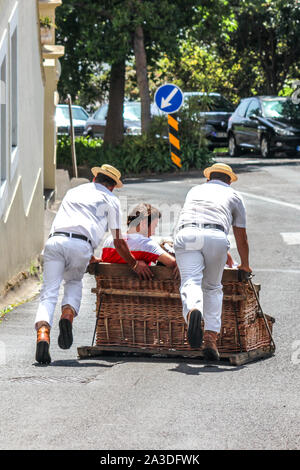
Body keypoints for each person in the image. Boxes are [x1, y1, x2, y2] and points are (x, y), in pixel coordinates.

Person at [34, 164, 152, 364]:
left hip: (56, 241)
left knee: (49, 292)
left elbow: (69, 222)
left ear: (95, 177)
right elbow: (118, 241)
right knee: (73, 283)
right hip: (81, 246)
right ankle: (67, 316)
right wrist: (133, 264)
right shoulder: (111, 200)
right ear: (113, 186)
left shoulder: (74, 192)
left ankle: (43, 334)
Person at [174, 163, 251, 360]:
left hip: (187, 233)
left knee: (190, 280)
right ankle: (210, 338)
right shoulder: (234, 196)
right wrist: (244, 264)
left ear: (209, 178)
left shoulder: (195, 190)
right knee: (213, 287)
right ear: (229, 181)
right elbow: (241, 236)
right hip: (216, 235)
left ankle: (193, 311)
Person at [101, 203, 178, 275]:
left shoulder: (109, 240)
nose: (153, 233)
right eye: (154, 227)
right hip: (138, 288)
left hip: (108, 285)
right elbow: (173, 263)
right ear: (144, 223)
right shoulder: (146, 244)